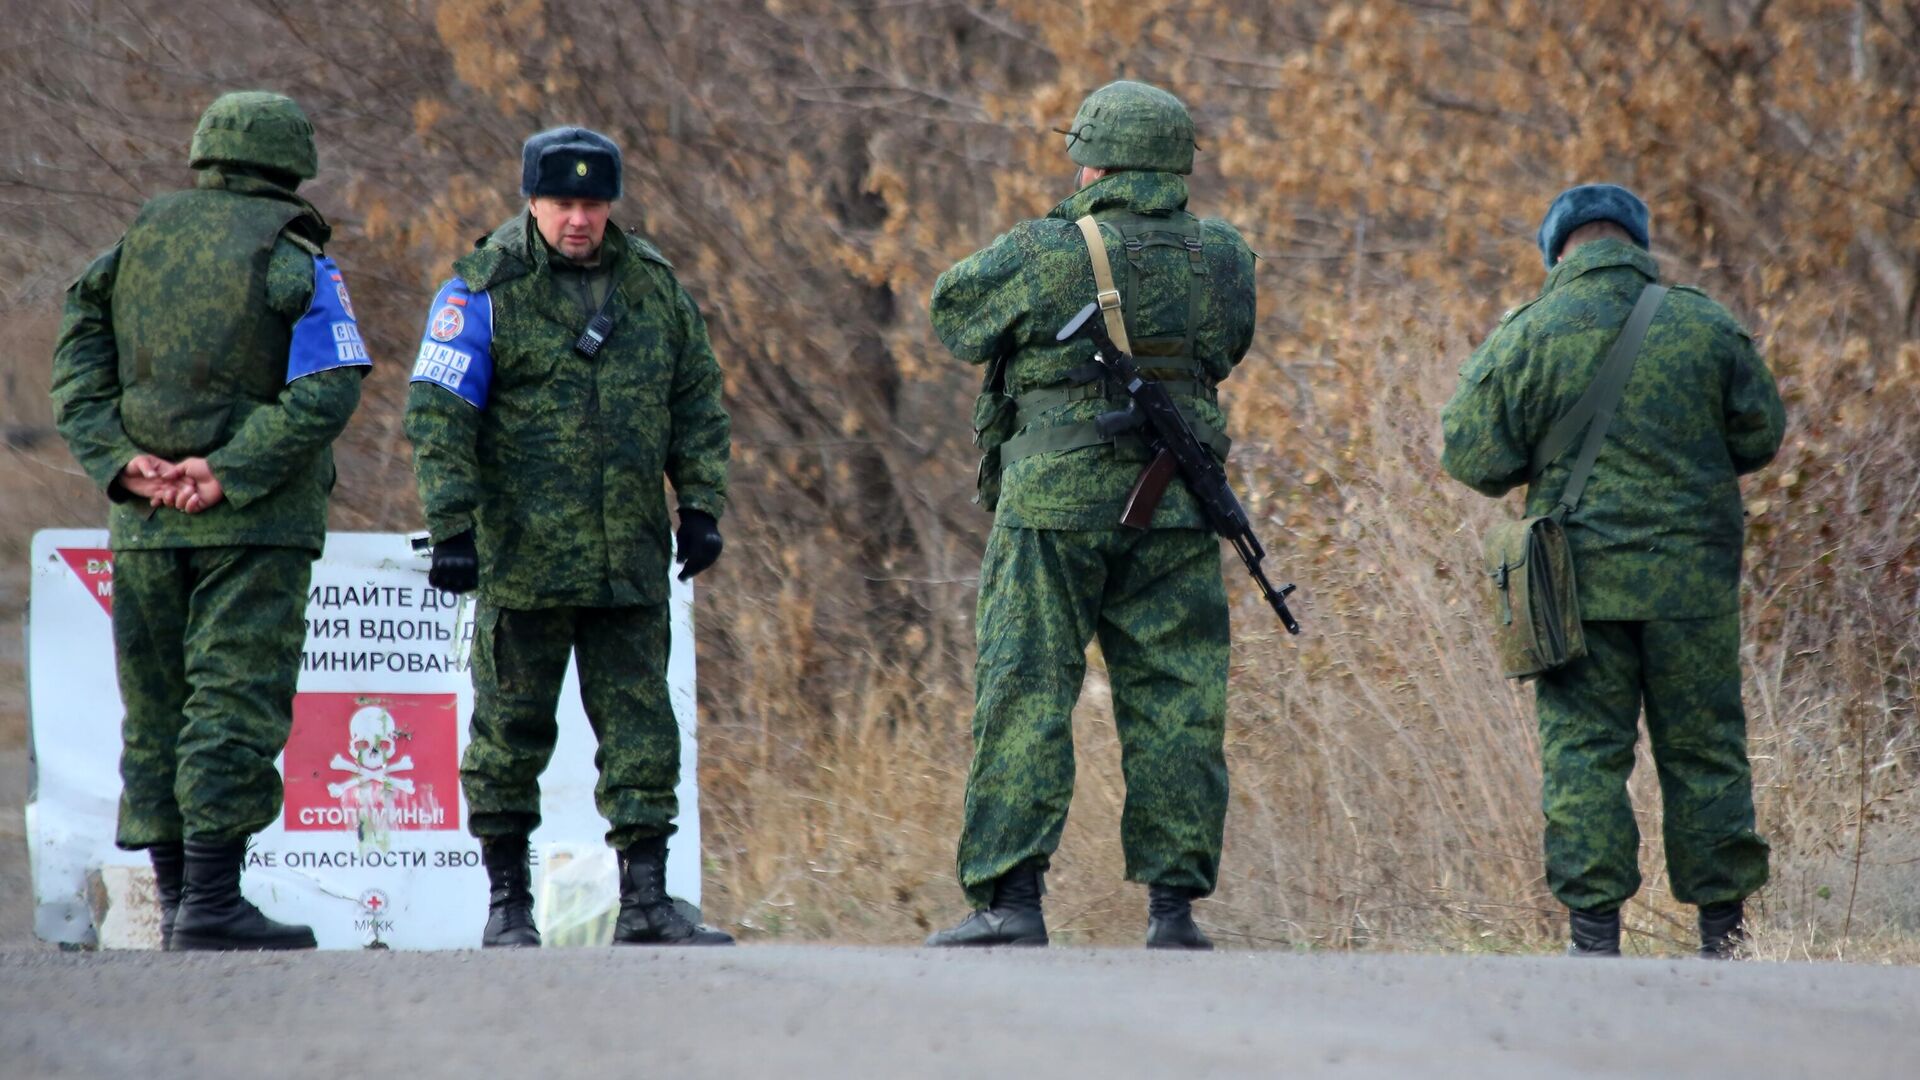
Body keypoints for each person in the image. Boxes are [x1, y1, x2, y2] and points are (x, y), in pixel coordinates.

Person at [925, 81, 1258, 949]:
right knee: (1180, 698)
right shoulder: (1222, 255)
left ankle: (1012, 901)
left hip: (1053, 509)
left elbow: (953, 314)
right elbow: (1225, 348)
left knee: (1027, 687)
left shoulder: (1048, 249)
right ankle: (1174, 913)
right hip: (1178, 507)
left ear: (1098, 161)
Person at [49, 91, 370, 950]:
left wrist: (118, 457)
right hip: (251, 525)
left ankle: (182, 897)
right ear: (291, 163)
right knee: (233, 698)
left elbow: (76, 355)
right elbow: (331, 383)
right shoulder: (293, 256)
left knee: (155, 707)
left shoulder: (133, 245)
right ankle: (215, 903)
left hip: (145, 521)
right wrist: (228, 470)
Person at [405, 126, 733, 947]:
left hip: (628, 559)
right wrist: (452, 526)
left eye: (592, 203)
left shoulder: (653, 288)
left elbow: (696, 400)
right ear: (532, 201)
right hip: (525, 561)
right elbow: (439, 416)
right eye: (562, 203)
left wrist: (699, 504)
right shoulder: (482, 289)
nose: (578, 219)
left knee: (642, 732)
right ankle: (508, 905)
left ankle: (648, 902)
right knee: (509, 734)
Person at [1441, 183, 1786, 958]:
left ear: (1558, 249)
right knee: (1705, 749)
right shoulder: (1706, 325)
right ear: (1635, 242)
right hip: (1691, 588)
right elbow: (1761, 434)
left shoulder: (1530, 333)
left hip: (1576, 589)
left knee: (1585, 753)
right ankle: (1726, 940)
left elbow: (1471, 457)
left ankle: (1594, 942)